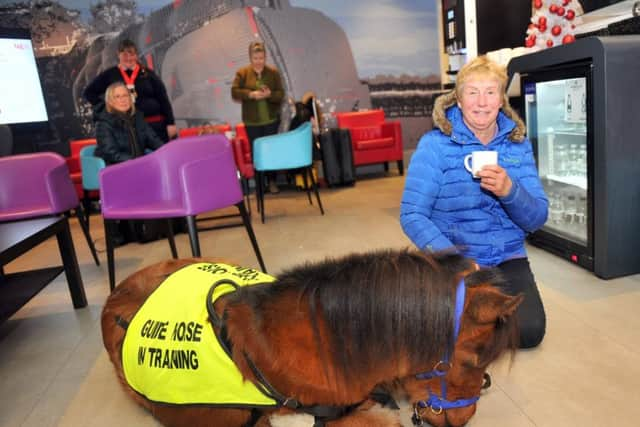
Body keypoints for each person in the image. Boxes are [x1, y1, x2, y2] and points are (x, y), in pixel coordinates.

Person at [400, 56, 548, 349]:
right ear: (458, 98)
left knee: (530, 331)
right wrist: (457, 260)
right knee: (447, 333)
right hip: (456, 258)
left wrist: (510, 190)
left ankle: (475, 323)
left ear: (501, 99)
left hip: (506, 256)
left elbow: (537, 218)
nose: (482, 102)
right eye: (472, 92)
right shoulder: (435, 145)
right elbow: (412, 214)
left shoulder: (517, 145)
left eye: (490, 92)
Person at [84, 39, 177, 143]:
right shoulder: (109, 75)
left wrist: (170, 123)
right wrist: (108, 107)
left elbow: (163, 98)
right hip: (128, 130)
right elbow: (89, 93)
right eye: (124, 55)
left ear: (136, 55)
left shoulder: (148, 74)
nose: (128, 58)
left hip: (156, 127)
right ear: (118, 55)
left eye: (132, 55)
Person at [231, 41, 284, 193]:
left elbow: (280, 94)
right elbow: (234, 92)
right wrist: (250, 94)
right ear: (250, 57)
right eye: (255, 58)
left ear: (265, 57)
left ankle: (272, 182)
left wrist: (270, 95)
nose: (259, 61)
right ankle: (260, 184)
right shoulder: (242, 73)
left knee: (271, 152)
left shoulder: (273, 73)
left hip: (271, 120)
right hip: (252, 122)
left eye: (261, 58)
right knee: (257, 153)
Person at [94, 82, 164, 165]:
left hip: (137, 164)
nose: (123, 100)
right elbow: (111, 154)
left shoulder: (138, 118)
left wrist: (166, 150)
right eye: (117, 97)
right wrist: (137, 161)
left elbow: (154, 140)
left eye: (125, 95)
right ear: (110, 101)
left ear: (130, 98)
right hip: (115, 167)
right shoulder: (103, 123)